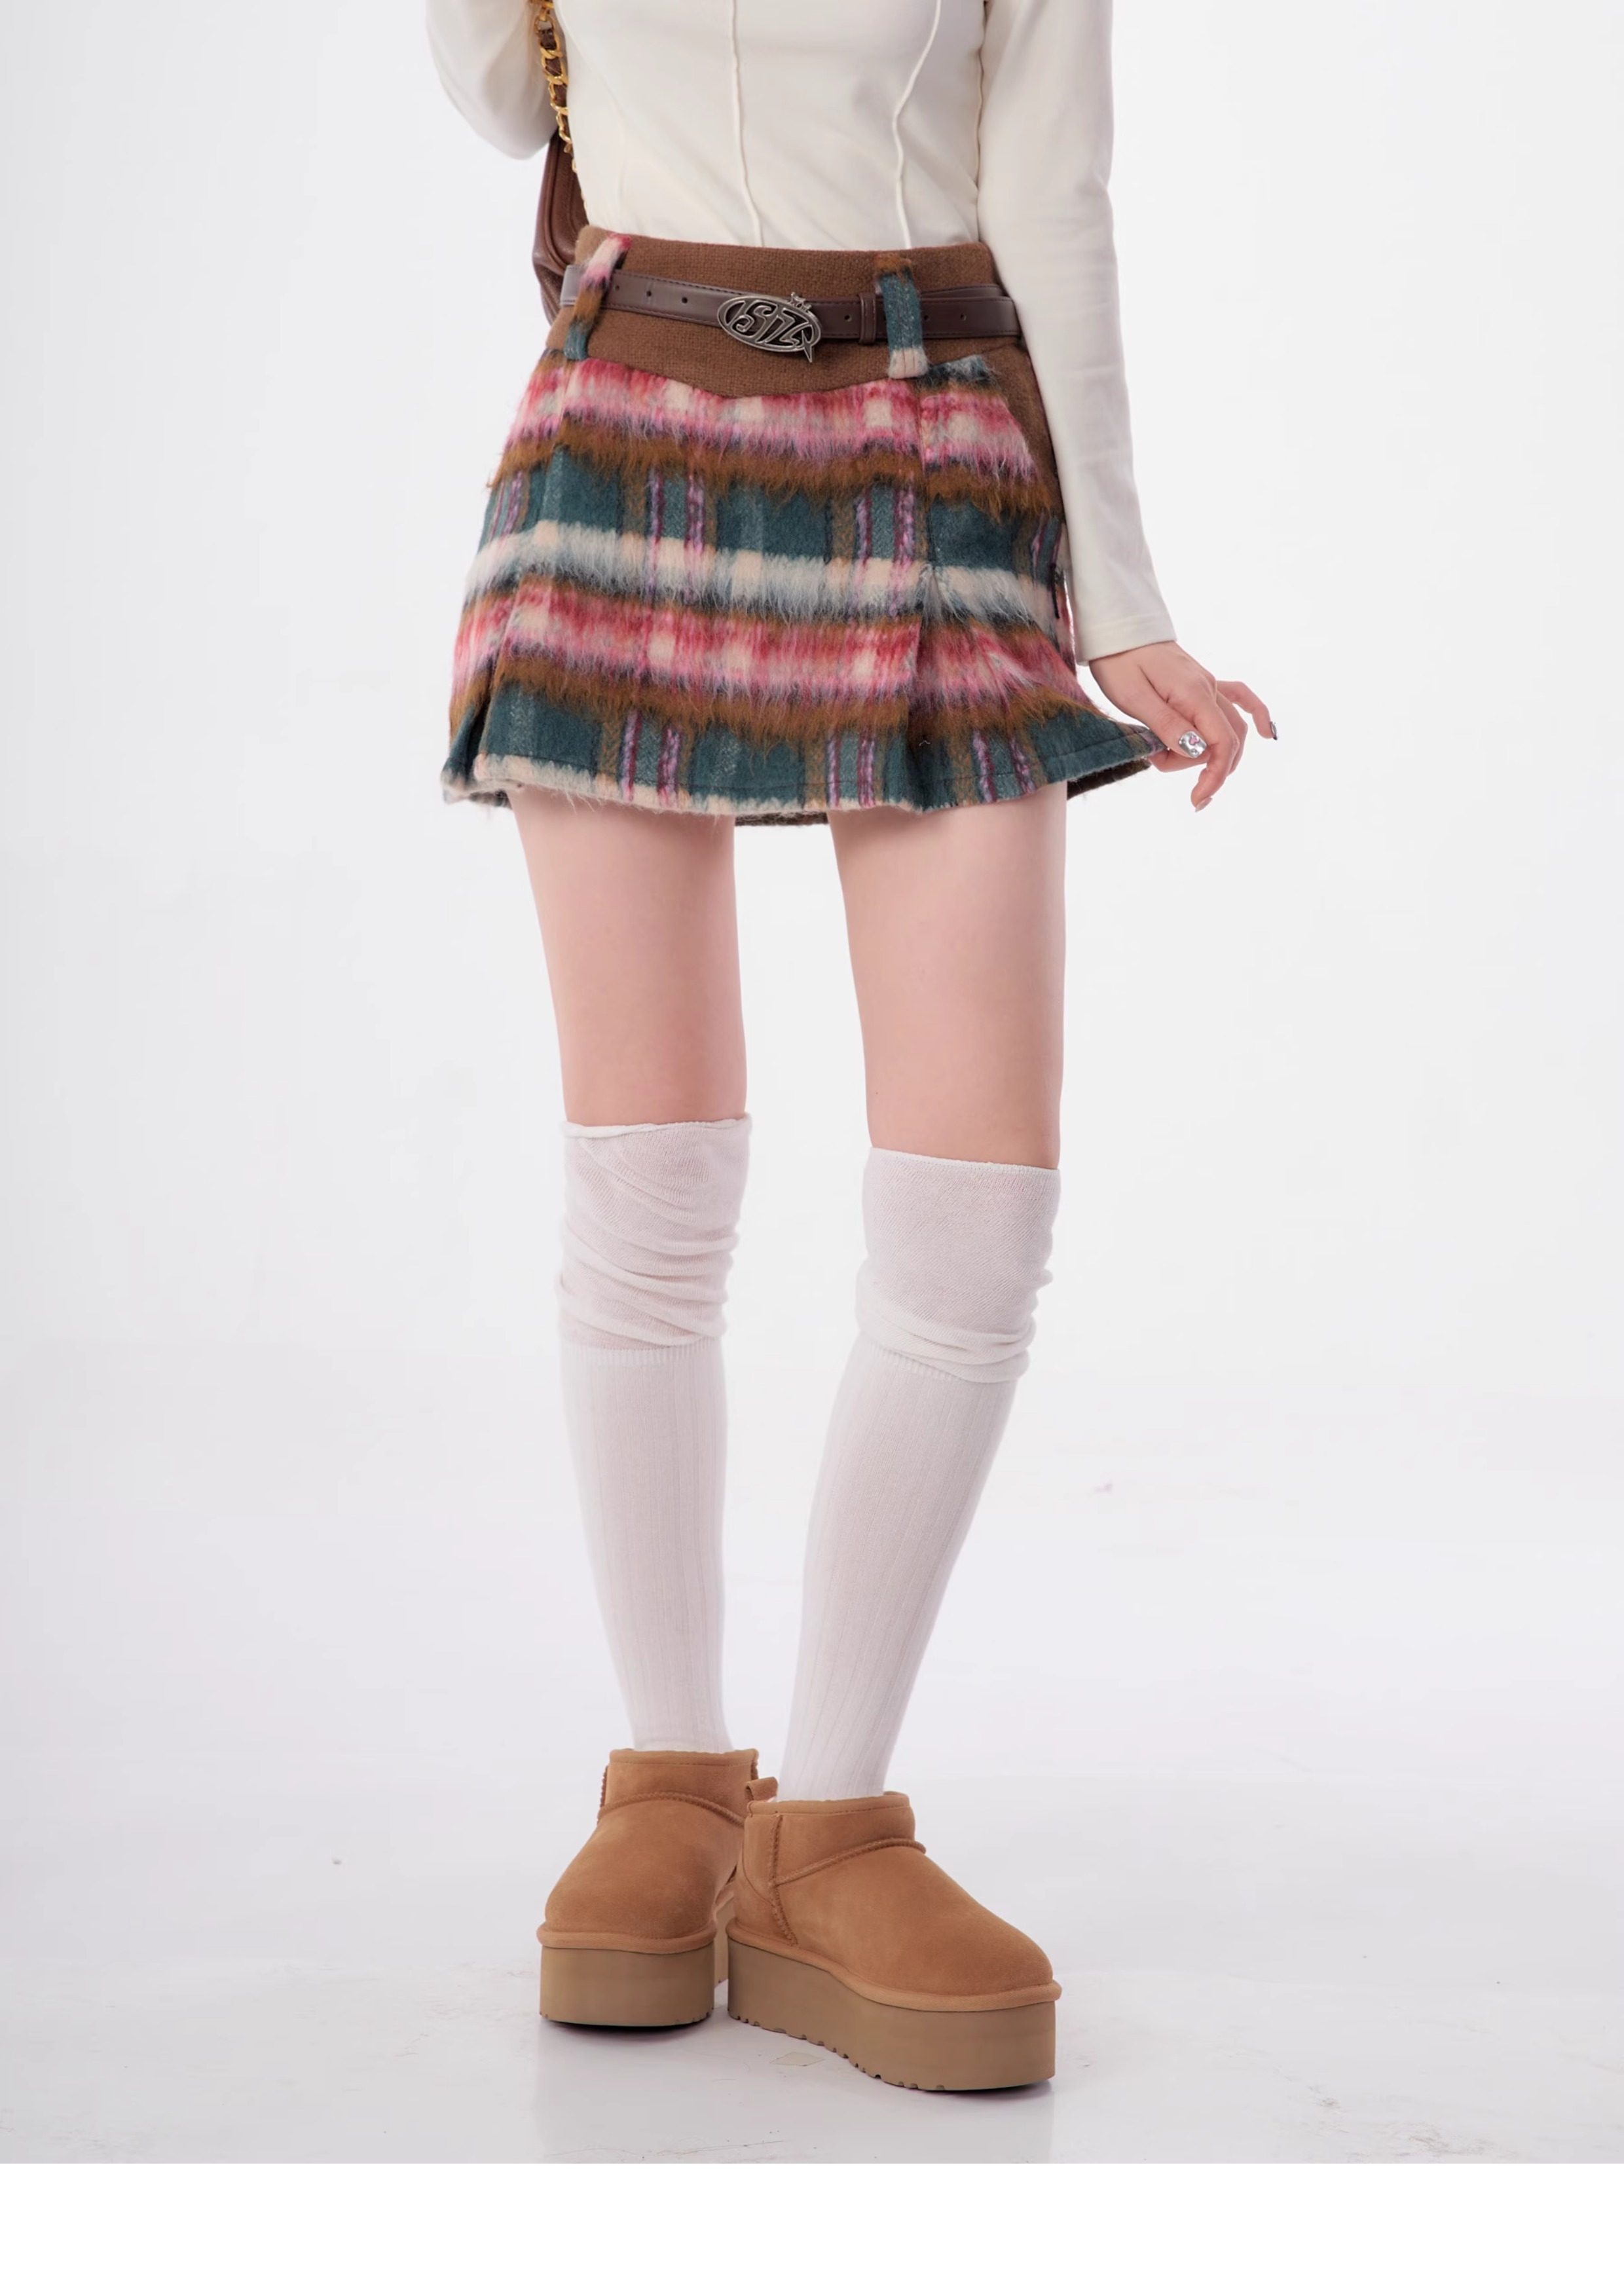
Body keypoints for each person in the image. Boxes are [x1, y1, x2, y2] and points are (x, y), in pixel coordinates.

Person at [426, 0, 1271, 2092]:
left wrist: (1121, 601)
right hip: (625, 425)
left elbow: (1055, 196)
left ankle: (827, 1820)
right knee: (648, 1181)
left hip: (932, 445)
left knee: (976, 1212)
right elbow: (495, 97)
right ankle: (671, 1781)